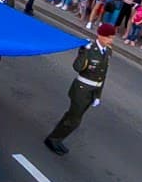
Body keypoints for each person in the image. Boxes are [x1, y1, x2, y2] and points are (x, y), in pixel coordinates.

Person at [44, 23, 115, 155]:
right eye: (108, 37)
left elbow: (102, 76)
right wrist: (84, 52)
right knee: (74, 120)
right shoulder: (89, 49)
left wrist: (98, 95)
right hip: (81, 90)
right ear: (100, 36)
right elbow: (77, 67)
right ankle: (53, 139)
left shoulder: (108, 51)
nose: (111, 40)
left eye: (112, 38)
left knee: (72, 117)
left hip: (92, 91)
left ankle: (56, 138)